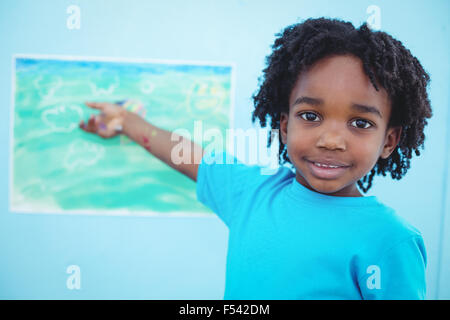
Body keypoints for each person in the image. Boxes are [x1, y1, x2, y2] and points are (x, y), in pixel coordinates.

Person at [79, 17, 432, 299]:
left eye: (360, 123)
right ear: (284, 124)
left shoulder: (391, 241)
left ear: (389, 140)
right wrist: (126, 121)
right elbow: (187, 156)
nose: (330, 140)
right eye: (310, 116)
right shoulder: (253, 193)